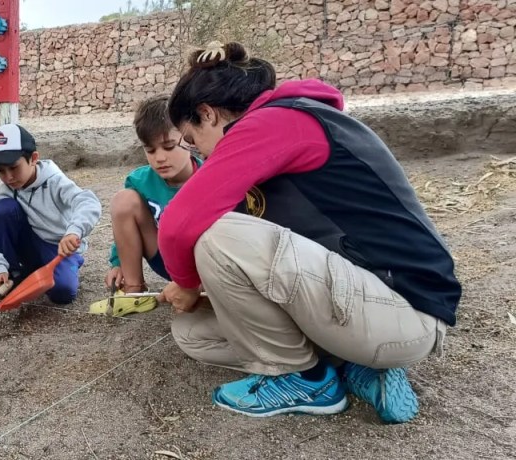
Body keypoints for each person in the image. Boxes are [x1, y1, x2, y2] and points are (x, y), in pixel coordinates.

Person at [156, 41, 460, 423]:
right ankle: (356, 366)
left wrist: (185, 281)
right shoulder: (277, 131)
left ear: (207, 114)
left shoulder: (276, 121)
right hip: (362, 306)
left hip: (405, 313)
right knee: (192, 332)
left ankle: (307, 379)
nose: (198, 153)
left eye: (192, 139)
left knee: (215, 236)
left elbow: (180, 222)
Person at [87, 95, 202, 317]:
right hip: (165, 257)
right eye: (150, 150)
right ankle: (133, 293)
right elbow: (123, 228)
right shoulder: (140, 181)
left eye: (169, 147)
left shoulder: (210, 174)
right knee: (123, 200)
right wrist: (118, 263)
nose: (159, 158)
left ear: (189, 138)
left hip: (201, 264)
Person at [0, 124, 101, 304]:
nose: (8, 177)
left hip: (57, 249)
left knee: (63, 293)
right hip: (29, 245)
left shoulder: (55, 181)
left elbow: (88, 201)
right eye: (1, 171)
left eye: (13, 167)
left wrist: (74, 231)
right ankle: (15, 273)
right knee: (3, 210)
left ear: (33, 158)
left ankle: (68, 265)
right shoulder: (5, 189)